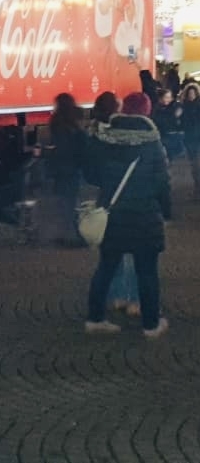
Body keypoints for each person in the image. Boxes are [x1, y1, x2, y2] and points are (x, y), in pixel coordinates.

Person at [83, 91, 171, 338]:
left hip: (113, 215)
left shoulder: (106, 139)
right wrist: (167, 212)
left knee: (106, 268)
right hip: (145, 216)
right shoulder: (153, 142)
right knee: (147, 272)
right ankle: (151, 324)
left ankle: (95, 318)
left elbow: (92, 174)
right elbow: (163, 182)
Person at [89, 91, 138, 317]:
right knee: (132, 253)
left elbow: (91, 174)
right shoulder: (124, 135)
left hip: (106, 199)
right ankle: (133, 300)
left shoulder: (94, 134)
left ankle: (117, 296)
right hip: (127, 199)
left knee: (111, 253)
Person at [47, 92, 87, 247]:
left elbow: (58, 147)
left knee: (64, 203)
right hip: (73, 168)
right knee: (70, 202)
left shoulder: (57, 123)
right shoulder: (74, 123)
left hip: (60, 169)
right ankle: (73, 236)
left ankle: (66, 234)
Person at [151, 87, 184, 164]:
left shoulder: (168, 106)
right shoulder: (156, 108)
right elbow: (162, 122)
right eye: (166, 97)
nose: (169, 99)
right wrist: (174, 116)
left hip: (168, 135)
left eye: (170, 97)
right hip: (162, 135)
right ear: (160, 98)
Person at [180, 81, 200, 197]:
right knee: (194, 164)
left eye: (193, 93)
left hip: (197, 137)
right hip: (189, 137)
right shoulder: (184, 106)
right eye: (189, 94)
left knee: (196, 164)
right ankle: (197, 188)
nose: (191, 95)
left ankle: (197, 189)